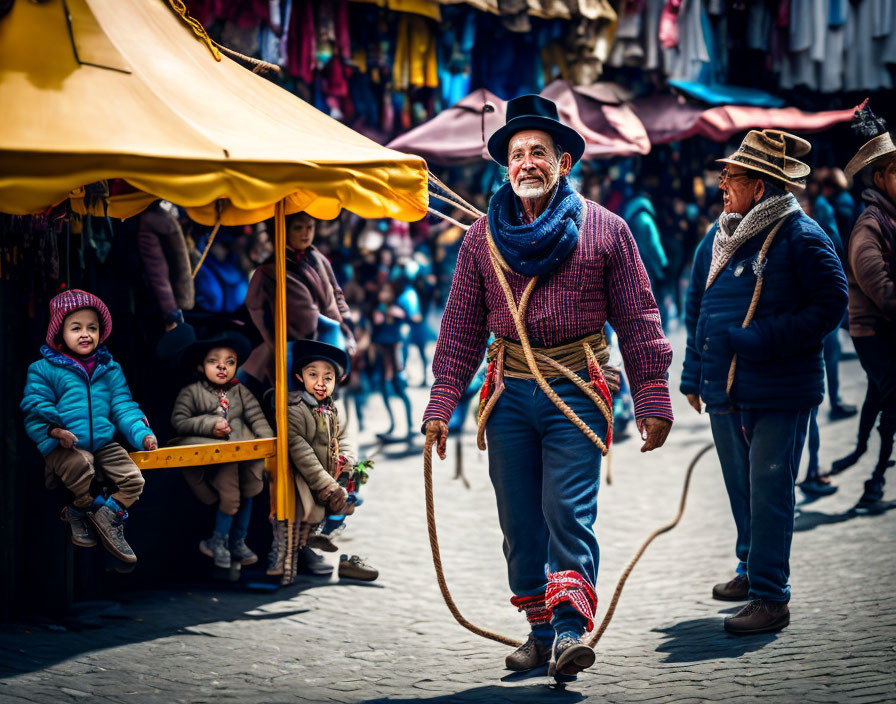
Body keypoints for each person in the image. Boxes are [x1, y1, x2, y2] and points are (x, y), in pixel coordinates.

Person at [423, 95, 673, 679]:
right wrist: (441, 402)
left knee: (567, 511)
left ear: (564, 163)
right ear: (504, 166)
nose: (527, 162)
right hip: (508, 394)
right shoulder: (480, 240)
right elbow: (459, 327)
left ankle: (567, 634)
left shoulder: (608, 231)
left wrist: (654, 397)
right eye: (517, 154)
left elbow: (639, 319)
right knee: (519, 523)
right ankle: (538, 633)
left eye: (539, 152)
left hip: (576, 390)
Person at [681, 130, 848, 634]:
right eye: (723, 175)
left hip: (779, 386)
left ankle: (771, 596)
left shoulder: (802, 234)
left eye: (730, 176)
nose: (721, 183)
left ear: (760, 186)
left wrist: (762, 339)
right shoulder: (718, 237)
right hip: (724, 387)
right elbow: (698, 308)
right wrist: (693, 373)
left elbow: (831, 304)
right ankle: (750, 567)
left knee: (770, 487)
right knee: (741, 486)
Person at [21, 289, 158, 565]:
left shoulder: (109, 368)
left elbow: (123, 406)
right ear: (60, 332)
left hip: (103, 444)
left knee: (134, 480)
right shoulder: (43, 369)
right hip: (63, 445)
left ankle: (107, 516)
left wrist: (142, 434)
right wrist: (55, 432)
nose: (85, 334)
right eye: (76, 328)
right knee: (82, 466)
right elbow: (33, 409)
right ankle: (81, 509)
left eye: (92, 328)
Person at [268, 339, 377, 584]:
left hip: (329, 474)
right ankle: (284, 563)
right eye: (313, 375)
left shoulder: (333, 409)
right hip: (302, 477)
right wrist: (326, 483)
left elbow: (345, 436)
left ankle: (314, 543)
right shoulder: (294, 409)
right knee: (294, 519)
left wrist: (347, 460)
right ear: (299, 376)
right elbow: (300, 450)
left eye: (328, 378)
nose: (320, 383)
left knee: (349, 497)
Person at [169, 326, 273, 569]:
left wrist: (266, 441)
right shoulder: (192, 392)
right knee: (231, 497)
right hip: (218, 457)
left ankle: (238, 540)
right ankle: (218, 540)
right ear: (200, 366)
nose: (222, 367)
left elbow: (256, 417)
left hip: (245, 454)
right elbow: (180, 421)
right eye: (213, 361)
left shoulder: (240, 391)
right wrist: (208, 424)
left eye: (230, 361)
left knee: (250, 492)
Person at [840, 102, 896, 510]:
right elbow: (880, 288)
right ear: (879, 177)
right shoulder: (870, 225)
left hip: (886, 329)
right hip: (872, 331)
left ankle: (863, 455)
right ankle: (874, 480)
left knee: (881, 397)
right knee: (891, 398)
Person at [242, 212, 357, 396]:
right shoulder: (269, 270)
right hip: (290, 351)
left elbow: (337, 293)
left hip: (328, 344)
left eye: (310, 227)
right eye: (298, 228)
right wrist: (273, 343)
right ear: (284, 230)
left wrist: (347, 325)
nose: (306, 233)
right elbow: (255, 309)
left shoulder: (316, 257)